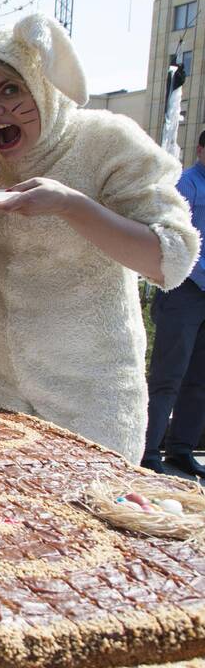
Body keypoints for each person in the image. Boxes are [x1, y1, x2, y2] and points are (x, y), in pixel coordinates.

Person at [0, 13, 200, 462]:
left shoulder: (107, 140)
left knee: (83, 525)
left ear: (41, 83)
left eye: (10, 90)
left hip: (91, 390)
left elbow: (171, 260)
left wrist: (71, 205)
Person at [142, 130, 205, 475]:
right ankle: (149, 451)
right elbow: (173, 239)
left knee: (200, 378)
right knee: (168, 375)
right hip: (184, 290)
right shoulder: (185, 185)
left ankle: (181, 449)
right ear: (200, 149)